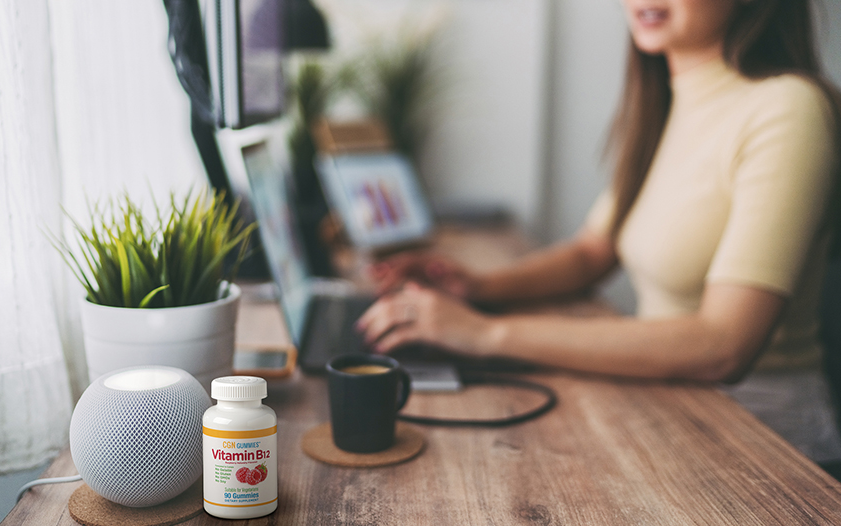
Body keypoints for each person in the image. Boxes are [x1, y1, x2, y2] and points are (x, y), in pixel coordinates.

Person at [356, 0, 841, 462]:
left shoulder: (788, 108)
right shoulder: (669, 101)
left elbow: (724, 345)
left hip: (763, 444)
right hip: (676, 409)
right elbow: (594, 250)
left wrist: (486, 334)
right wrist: (479, 287)